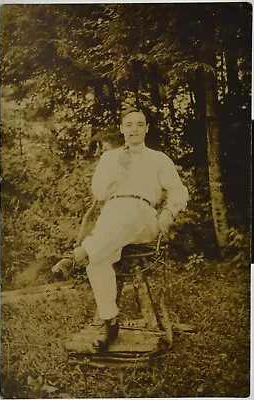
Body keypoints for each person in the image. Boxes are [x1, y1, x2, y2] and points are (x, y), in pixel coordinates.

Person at [52, 107, 189, 352]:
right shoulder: (109, 158)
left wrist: (168, 213)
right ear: (122, 128)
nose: (134, 129)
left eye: (139, 124)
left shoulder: (158, 158)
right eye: (129, 124)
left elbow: (179, 190)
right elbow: (100, 194)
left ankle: (75, 256)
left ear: (146, 128)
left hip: (145, 219)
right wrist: (120, 167)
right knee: (98, 261)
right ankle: (110, 321)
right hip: (113, 219)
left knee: (128, 210)